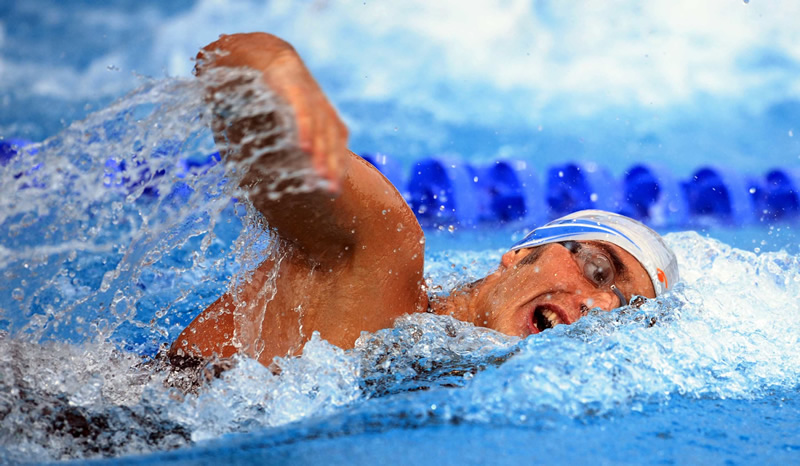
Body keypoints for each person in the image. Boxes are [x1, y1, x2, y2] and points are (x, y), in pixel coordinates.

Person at [170, 32, 679, 368]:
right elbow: (240, 62)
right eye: (598, 271)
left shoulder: (449, 376)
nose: (599, 305)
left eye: (623, 313)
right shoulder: (381, 257)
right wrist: (283, 86)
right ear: (522, 252)